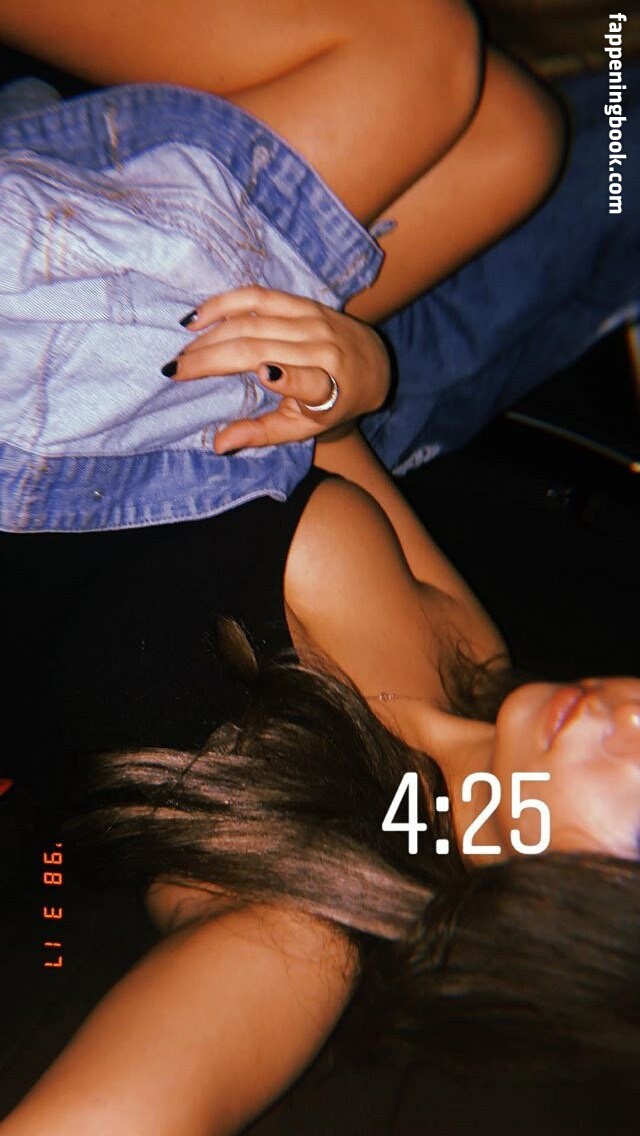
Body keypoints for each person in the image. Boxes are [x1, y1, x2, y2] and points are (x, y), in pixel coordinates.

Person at [1, 295, 640, 1136]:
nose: (634, 719)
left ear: (590, 930)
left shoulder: (310, 924)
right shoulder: (475, 658)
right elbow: (316, 433)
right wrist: (351, 385)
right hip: (99, 334)